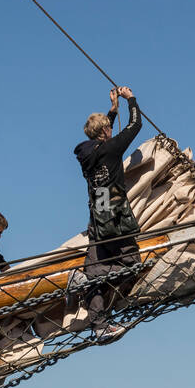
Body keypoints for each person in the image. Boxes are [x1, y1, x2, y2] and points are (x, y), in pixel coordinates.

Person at [74, 85, 143, 340]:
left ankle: (99, 325)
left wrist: (112, 110)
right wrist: (130, 99)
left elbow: (100, 139)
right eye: (108, 128)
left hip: (97, 212)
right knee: (133, 264)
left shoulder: (86, 154)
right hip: (114, 213)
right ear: (104, 132)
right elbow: (135, 126)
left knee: (94, 273)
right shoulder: (111, 148)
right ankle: (88, 280)